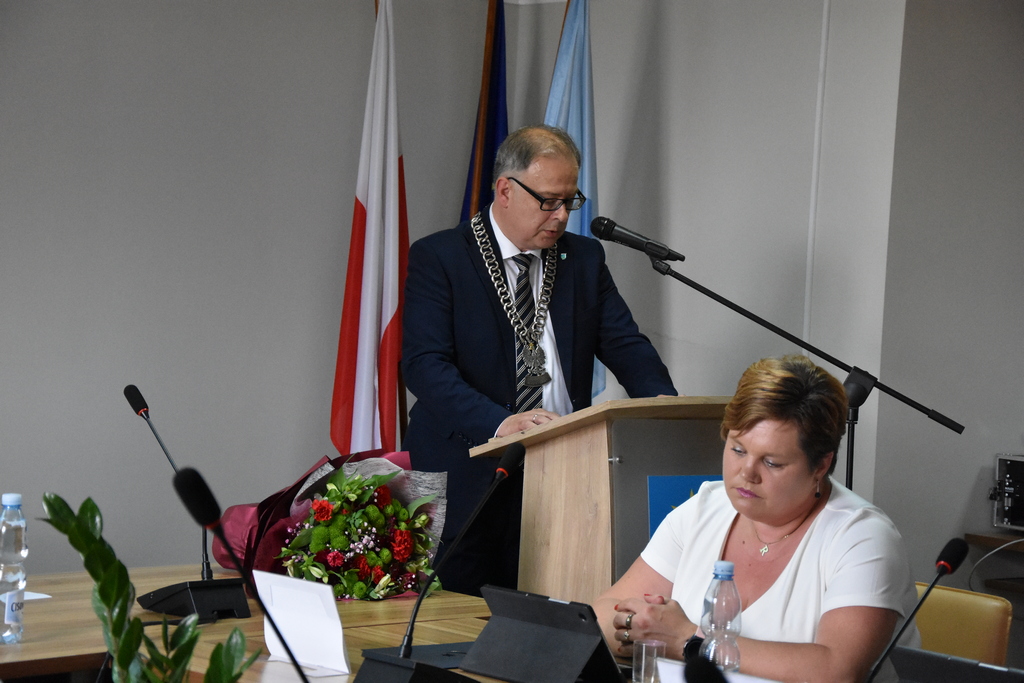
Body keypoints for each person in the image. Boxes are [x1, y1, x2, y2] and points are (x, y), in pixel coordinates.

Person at [401, 125, 677, 595]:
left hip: (562, 471)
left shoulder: (583, 258)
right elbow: (425, 366)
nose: (562, 215)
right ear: (505, 190)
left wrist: (663, 406)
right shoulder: (441, 257)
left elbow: (626, 345)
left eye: (570, 201)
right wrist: (501, 422)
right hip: (467, 472)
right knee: (457, 618)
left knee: (552, 611)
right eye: (549, 201)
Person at [594, 355, 919, 683]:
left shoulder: (863, 537)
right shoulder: (702, 509)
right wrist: (640, 628)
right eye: (738, 450)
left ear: (820, 465)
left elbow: (837, 671)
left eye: (772, 463)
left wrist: (685, 641)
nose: (747, 473)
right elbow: (602, 613)